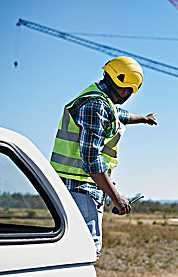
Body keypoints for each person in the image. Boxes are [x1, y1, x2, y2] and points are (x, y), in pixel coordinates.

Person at [50, 56, 156, 258]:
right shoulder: (95, 106)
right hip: (79, 187)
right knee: (86, 252)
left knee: (73, 250)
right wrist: (117, 198)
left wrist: (144, 119)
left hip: (75, 185)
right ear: (126, 90)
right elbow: (91, 159)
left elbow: (120, 114)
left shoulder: (100, 99)